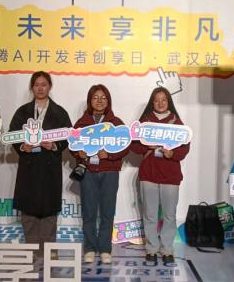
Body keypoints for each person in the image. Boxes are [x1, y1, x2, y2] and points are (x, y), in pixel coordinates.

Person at [9, 71, 72, 257]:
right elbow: (13, 134)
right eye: (36, 85)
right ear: (32, 87)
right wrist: (23, 146)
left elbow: (69, 136)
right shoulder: (22, 112)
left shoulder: (59, 112)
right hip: (28, 167)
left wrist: (54, 145)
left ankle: (50, 249)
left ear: (49, 86)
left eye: (44, 84)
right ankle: (32, 249)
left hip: (49, 167)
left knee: (49, 210)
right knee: (28, 211)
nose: (40, 88)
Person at [131, 86, 190, 263]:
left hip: (170, 175)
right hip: (148, 174)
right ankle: (151, 249)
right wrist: (146, 146)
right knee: (150, 214)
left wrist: (172, 154)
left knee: (169, 215)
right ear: (152, 102)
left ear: (169, 102)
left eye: (164, 100)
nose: (160, 103)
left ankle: (167, 249)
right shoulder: (145, 122)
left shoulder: (176, 122)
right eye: (156, 100)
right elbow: (133, 145)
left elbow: (185, 147)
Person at [72, 85, 129, 264]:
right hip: (88, 171)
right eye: (95, 97)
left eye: (103, 97)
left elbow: (125, 145)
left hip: (109, 172)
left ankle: (105, 248)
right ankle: (89, 248)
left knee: (107, 211)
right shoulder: (82, 123)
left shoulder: (116, 123)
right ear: (90, 100)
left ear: (108, 101)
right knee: (88, 212)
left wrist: (110, 155)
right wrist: (78, 153)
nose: (99, 101)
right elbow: (72, 143)